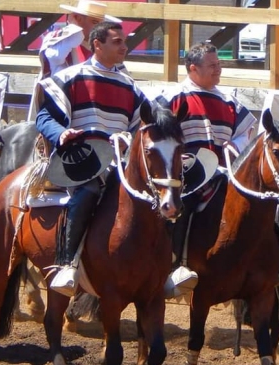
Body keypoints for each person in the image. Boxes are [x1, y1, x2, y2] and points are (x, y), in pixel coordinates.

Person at [36, 21, 146, 297]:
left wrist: (130, 138)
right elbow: (44, 117)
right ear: (97, 44)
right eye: (117, 41)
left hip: (118, 163)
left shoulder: (131, 86)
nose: (125, 46)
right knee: (89, 191)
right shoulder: (71, 77)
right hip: (80, 159)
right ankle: (67, 264)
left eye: (124, 41)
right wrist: (61, 133)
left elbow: (141, 125)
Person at [157, 42, 258, 299]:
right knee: (184, 205)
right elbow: (155, 130)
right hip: (186, 174)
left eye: (219, 64)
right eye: (212, 65)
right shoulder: (172, 96)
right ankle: (177, 265)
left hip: (224, 172)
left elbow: (247, 131)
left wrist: (234, 145)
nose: (218, 69)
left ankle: (258, 266)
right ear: (193, 68)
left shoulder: (229, 101)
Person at [27, 0, 124, 121]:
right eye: (95, 23)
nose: (99, 29)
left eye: (101, 24)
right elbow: (56, 57)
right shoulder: (59, 40)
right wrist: (75, 29)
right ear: (77, 18)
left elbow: (121, 75)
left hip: (92, 108)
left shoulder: (102, 46)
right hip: (59, 106)